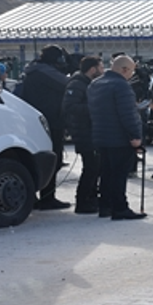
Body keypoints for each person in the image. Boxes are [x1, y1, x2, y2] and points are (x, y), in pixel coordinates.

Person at [87, 55, 146, 220]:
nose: (131, 76)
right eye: (131, 72)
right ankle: (120, 208)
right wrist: (136, 135)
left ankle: (105, 206)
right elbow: (128, 114)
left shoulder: (95, 84)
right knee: (119, 175)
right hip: (119, 137)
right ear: (125, 69)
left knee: (106, 173)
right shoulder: (121, 86)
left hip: (101, 136)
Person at [20, 44, 71, 210]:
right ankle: (47, 198)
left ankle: (34, 196)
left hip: (35, 121)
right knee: (53, 160)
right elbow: (68, 84)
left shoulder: (33, 70)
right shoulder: (46, 72)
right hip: (50, 122)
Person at [61, 56, 104, 214]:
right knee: (91, 168)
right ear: (92, 69)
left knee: (96, 168)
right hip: (84, 132)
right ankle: (83, 202)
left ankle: (92, 198)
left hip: (91, 131)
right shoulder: (77, 84)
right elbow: (70, 107)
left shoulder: (88, 84)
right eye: (100, 67)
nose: (103, 71)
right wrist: (95, 107)